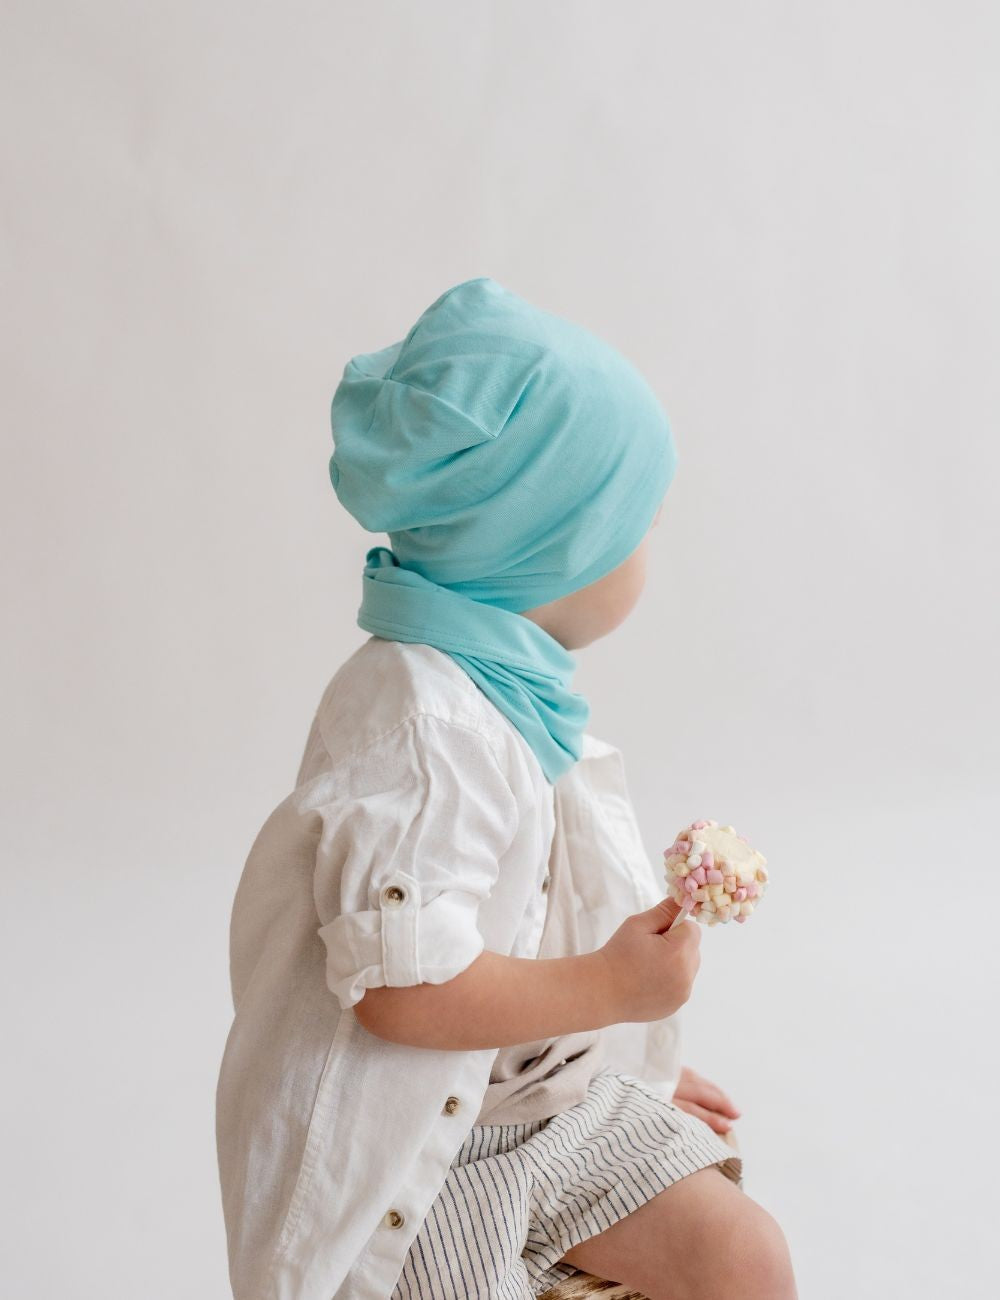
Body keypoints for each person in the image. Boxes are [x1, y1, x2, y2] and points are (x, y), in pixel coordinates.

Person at [214, 277, 797, 1300]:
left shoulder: (506, 691)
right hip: (426, 1158)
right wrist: (614, 988)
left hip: (535, 1100)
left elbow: (525, 927)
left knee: (739, 1253)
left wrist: (616, 1072)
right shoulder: (425, 732)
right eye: (637, 526)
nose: (648, 555)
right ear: (551, 546)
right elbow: (404, 990)